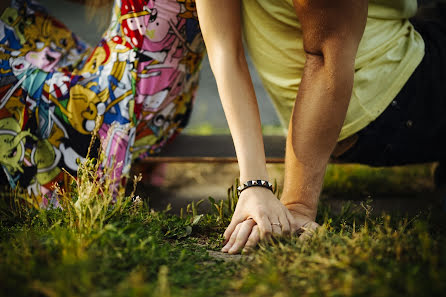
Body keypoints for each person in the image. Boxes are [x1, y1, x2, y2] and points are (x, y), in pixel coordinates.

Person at [195, 0, 446, 254]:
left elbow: (224, 50)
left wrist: (254, 184)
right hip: (382, 102)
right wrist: (297, 205)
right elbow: (326, 56)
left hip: (338, 106)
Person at [0, 0, 205, 207]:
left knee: (5, 75)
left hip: (123, 109)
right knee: (20, 14)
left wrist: (241, 186)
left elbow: (227, 55)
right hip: (166, 107)